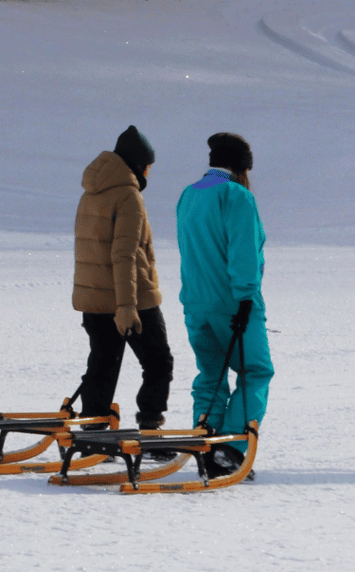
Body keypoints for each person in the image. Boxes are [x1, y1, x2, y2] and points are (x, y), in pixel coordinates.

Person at [176, 132, 274, 478]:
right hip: (233, 303)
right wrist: (247, 297)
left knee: (212, 374)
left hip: (195, 302)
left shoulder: (189, 194)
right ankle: (230, 449)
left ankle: (206, 441)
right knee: (256, 370)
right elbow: (244, 253)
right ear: (242, 167)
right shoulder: (236, 196)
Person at [72, 125, 173, 432]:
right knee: (158, 363)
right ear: (137, 163)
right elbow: (124, 255)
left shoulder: (92, 192)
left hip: (95, 299)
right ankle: (150, 425)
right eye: (148, 166)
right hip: (131, 298)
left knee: (102, 367)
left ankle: (93, 432)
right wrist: (127, 307)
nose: (149, 173)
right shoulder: (128, 196)